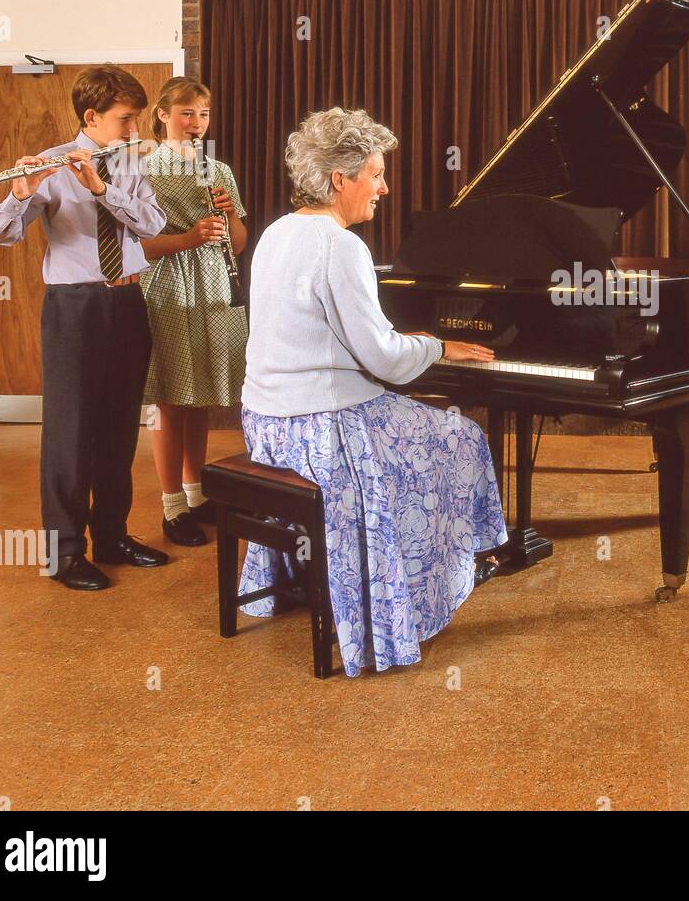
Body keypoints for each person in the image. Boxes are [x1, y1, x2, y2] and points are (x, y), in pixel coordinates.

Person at [238, 107, 507, 676]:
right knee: (460, 437)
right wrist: (436, 345)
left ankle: (349, 574)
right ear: (341, 179)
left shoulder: (275, 232)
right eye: (376, 174)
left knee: (421, 430)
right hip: (325, 432)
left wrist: (395, 341)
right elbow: (386, 360)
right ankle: (420, 585)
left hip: (266, 420)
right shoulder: (341, 246)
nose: (384, 187)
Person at [0, 65, 169, 590]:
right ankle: (63, 553)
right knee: (70, 432)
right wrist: (22, 193)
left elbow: (153, 225)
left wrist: (102, 189)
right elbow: (2, 234)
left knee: (118, 427)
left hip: (128, 301)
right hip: (74, 308)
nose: (135, 130)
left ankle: (111, 536)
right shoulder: (48, 164)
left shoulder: (130, 163)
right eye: (125, 119)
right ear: (91, 118)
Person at [139, 77, 248, 546]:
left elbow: (239, 243)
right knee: (169, 395)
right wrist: (189, 237)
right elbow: (135, 246)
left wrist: (228, 218)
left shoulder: (217, 168)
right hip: (168, 282)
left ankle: (196, 494)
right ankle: (169, 506)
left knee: (199, 390)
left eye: (203, 114)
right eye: (186, 113)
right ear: (163, 115)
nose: (197, 123)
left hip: (212, 280)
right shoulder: (142, 166)